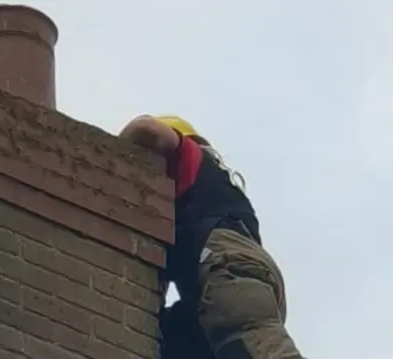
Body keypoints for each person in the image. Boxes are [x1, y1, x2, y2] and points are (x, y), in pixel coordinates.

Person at [119, 115, 304, 359]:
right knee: (167, 339)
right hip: (232, 279)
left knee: (251, 346)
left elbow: (145, 128)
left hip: (228, 269)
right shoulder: (210, 192)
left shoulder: (190, 158)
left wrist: (112, 162)